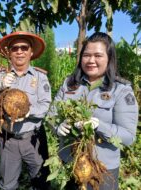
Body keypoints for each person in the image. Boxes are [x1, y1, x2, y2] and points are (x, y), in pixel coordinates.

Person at [49, 32, 139, 190]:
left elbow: (128, 136)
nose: (91, 60)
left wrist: (100, 126)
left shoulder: (121, 90)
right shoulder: (69, 84)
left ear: (109, 59)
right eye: (86, 55)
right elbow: (51, 115)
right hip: (71, 164)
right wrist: (57, 127)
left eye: (98, 55)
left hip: (102, 169)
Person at [0, 31, 51, 190]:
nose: (19, 51)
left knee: (41, 181)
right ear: (9, 52)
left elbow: (45, 106)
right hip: (9, 139)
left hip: (34, 138)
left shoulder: (40, 77)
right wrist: (0, 87)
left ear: (31, 52)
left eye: (24, 47)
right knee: (8, 184)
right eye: (15, 48)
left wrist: (28, 113)